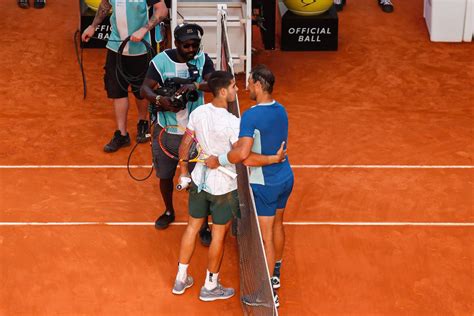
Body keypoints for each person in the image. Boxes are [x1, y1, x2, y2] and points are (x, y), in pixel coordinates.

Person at [172, 70, 285, 301]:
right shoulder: (234, 123)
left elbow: (186, 142)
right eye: (233, 86)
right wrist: (273, 159)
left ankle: (180, 279)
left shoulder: (199, 112)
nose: (237, 90)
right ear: (223, 91)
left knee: (192, 228)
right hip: (223, 187)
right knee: (218, 235)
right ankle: (210, 287)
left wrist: (184, 171)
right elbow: (242, 155)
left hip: (199, 182)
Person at [206, 65, 293, 308]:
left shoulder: (252, 115)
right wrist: (275, 159)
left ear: (258, 85)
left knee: (265, 239)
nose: (246, 87)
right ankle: (275, 273)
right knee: (278, 224)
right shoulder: (282, 110)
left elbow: (244, 156)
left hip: (265, 184)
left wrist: (220, 159)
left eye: (250, 82)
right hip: (285, 178)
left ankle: (267, 293)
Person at [140, 23, 215, 246]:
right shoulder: (161, 61)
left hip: (195, 135)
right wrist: (159, 100)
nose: (192, 49)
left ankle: (203, 223)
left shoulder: (203, 60)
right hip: (166, 132)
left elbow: (213, 83)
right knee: (165, 176)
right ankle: (169, 211)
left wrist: (195, 86)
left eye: (195, 45)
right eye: (186, 46)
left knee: (198, 180)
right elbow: (144, 88)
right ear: (176, 43)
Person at [81, 0, 168, 152]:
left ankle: (143, 122)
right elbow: (105, 5)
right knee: (117, 90)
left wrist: (143, 30)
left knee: (140, 90)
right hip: (115, 49)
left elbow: (162, 10)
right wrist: (93, 26)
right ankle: (121, 134)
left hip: (140, 50)